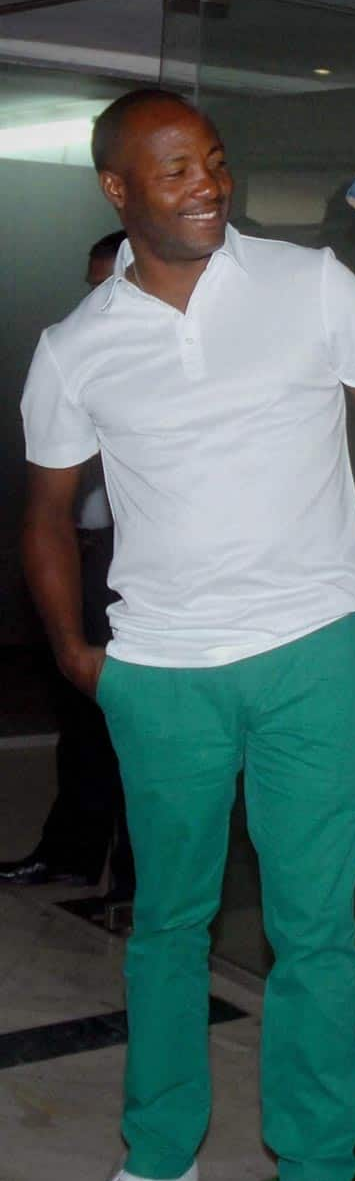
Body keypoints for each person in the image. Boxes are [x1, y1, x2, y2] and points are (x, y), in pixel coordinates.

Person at [20, 90, 355, 1181]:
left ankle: (314, 1167)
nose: (207, 183)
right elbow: (46, 515)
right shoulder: (77, 347)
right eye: (175, 170)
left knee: (315, 936)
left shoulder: (310, 284)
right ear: (119, 189)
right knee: (168, 928)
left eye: (212, 160)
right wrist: (76, 653)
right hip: (162, 676)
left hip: (312, 656)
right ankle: (160, 1160)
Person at [2, 231, 135, 902]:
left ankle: (139, 882)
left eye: (107, 281)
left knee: (141, 725)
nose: (96, 297)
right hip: (85, 557)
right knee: (81, 713)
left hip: (143, 564)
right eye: (90, 284)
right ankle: (71, 852)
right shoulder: (74, 354)